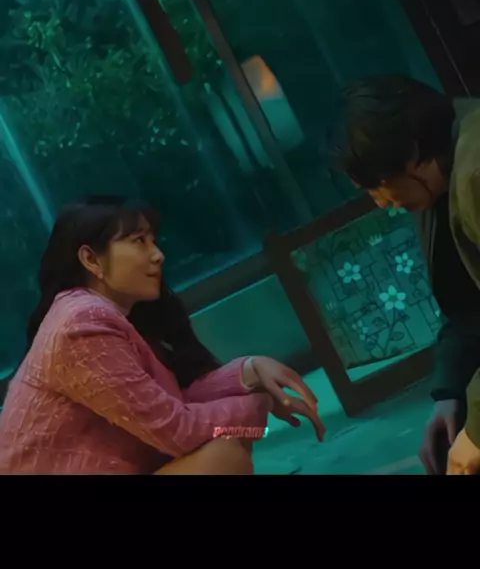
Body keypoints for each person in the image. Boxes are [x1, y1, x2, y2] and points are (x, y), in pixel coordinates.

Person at [0, 195, 325, 475]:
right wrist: (260, 403)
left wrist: (249, 372)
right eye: (139, 241)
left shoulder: (102, 315)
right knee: (221, 457)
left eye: (153, 241)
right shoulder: (82, 323)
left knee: (224, 444)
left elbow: (172, 404)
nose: (158, 254)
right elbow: (178, 431)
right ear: (91, 259)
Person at [334, 75, 480, 475]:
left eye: (377, 187)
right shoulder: (437, 180)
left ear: (412, 152)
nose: (381, 203)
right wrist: (450, 392)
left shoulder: (474, 172)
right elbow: (468, 307)